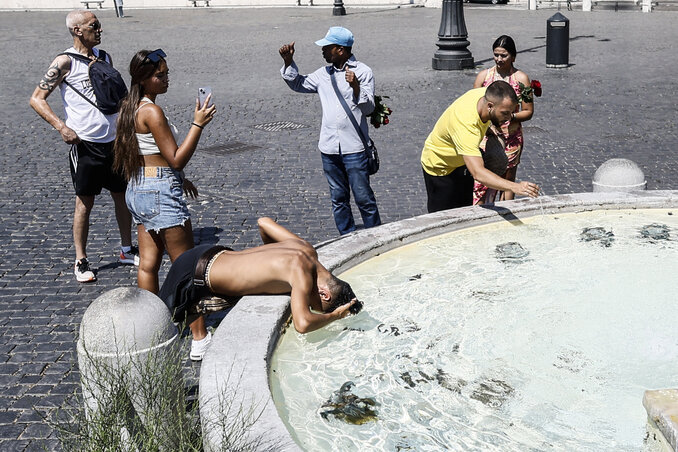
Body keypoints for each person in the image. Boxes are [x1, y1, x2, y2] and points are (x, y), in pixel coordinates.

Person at [29, 10, 137, 283]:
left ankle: (126, 249)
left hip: (114, 141)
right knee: (84, 203)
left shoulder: (105, 57)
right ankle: (81, 259)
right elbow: (37, 99)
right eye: (94, 26)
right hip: (86, 144)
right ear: (77, 30)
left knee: (121, 195)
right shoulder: (64, 62)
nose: (99, 30)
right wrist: (62, 127)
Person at [159, 217, 360, 361]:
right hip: (193, 275)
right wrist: (336, 315)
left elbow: (264, 222)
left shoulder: (306, 249)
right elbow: (303, 323)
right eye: (315, 304)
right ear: (324, 293)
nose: (308, 302)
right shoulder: (302, 272)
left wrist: (271, 266)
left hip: (209, 254)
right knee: (150, 337)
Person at [113, 49, 216, 295]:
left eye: (167, 73)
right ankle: (199, 333)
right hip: (159, 190)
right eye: (160, 75)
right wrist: (198, 124)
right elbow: (176, 159)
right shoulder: (151, 112)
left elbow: (149, 154)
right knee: (186, 265)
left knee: (148, 265)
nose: (166, 79)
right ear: (142, 78)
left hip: (138, 188)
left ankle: (152, 322)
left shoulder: (130, 107)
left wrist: (180, 179)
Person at [279, 27, 381, 235]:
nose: (323, 51)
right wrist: (288, 62)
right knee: (338, 198)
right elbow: (298, 84)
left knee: (364, 198)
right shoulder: (323, 74)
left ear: (341, 50)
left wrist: (356, 88)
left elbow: (369, 109)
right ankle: (346, 237)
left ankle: (376, 237)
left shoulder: (363, 71)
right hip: (329, 148)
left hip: (354, 148)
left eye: (327, 47)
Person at [420, 81, 540, 213]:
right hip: (440, 168)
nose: (508, 119)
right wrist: (515, 187)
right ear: (490, 106)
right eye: (505, 113)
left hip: (461, 161)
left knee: (464, 212)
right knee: (442, 219)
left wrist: (489, 130)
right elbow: (478, 173)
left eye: (510, 113)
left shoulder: (486, 95)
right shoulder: (466, 125)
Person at [473, 35, 535, 204]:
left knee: (507, 181)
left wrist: (509, 116)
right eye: (496, 55)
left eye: (504, 55)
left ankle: (506, 212)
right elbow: (473, 107)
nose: (499, 59)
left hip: (511, 138)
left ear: (513, 57)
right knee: (481, 181)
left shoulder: (521, 79)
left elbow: (528, 111)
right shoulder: (483, 77)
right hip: (486, 137)